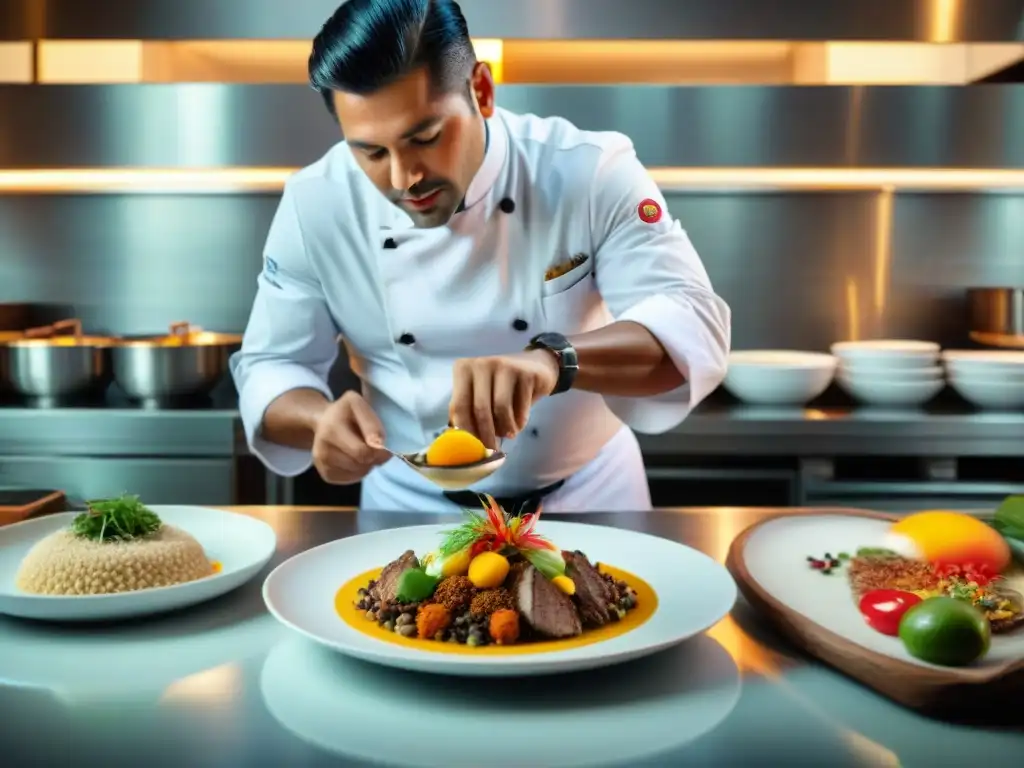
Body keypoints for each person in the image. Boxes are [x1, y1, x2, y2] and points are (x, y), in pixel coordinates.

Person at [230, 0, 731, 513]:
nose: (404, 178)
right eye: (371, 153)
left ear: (482, 91)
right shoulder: (317, 201)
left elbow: (691, 324)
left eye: (425, 137)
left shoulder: (587, 171)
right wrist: (317, 421)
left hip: (589, 500)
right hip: (409, 508)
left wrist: (555, 361)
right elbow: (272, 366)